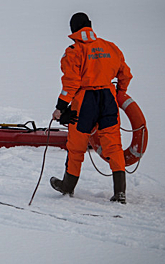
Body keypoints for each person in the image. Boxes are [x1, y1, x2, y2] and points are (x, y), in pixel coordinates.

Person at [50, 12, 132, 204]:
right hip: (108, 98)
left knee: (76, 145)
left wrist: (60, 108)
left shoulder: (73, 51)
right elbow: (125, 75)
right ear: (90, 25)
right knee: (113, 144)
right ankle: (120, 192)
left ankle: (68, 186)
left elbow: (71, 83)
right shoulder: (110, 47)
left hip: (85, 100)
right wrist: (119, 93)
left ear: (72, 30)